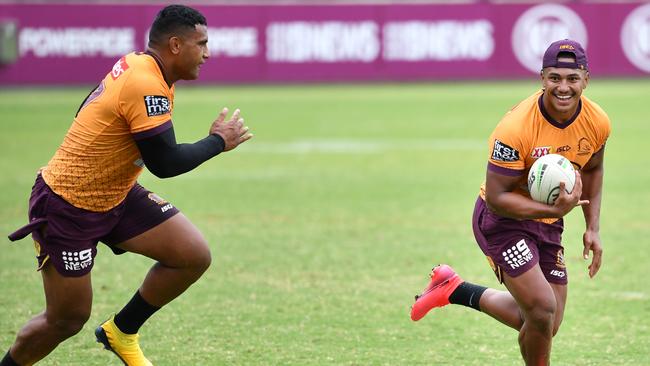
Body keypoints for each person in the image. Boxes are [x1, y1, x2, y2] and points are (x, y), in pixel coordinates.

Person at [2, 5, 252, 366]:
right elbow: (165, 164)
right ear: (176, 45)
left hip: (115, 192)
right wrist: (217, 141)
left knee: (192, 255)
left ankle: (121, 330)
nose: (208, 53)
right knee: (66, 319)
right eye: (203, 43)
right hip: (67, 204)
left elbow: (89, 105)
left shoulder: (142, 65)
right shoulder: (145, 81)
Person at [410, 39, 611, 366]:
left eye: (572, 79)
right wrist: (554, 209)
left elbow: (594, 167)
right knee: (542, 310)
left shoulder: (597, 121)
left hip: (548, 222)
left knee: (547, 321)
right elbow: (499, 199)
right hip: (501, 221)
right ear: (542, 78)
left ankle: (454, 289)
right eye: (554, 78)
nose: (563, 87)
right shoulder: (515, 128)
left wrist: (592, 227)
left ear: (585, 79)